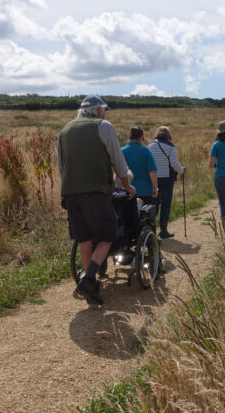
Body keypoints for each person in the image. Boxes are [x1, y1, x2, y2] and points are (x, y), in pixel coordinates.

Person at [57, 95, 135, 305]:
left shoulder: (65, 130)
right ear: (99, 111)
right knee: (108, 235)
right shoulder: (104, 126)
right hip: (96, 191)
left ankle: (89, 283)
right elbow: (118, 162)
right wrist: (127, 186)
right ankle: (88, 278)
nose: (105, 114)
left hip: (70, 192)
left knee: (84, 238)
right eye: (104, 110)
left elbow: (61, 166)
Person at [147, 126, 184, 238]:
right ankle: (163, 230)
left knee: (154, 203)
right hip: (167, 179)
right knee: (166, 203)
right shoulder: (170, 147)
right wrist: (182, 171)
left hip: (152, 178)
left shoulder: (149, 145)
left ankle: (151, 229)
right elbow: (174, 163)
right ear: (168, 135)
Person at [121, 126, 158, 205]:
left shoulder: (121, 151)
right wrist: (155, 188)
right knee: (145, 216)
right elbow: (152, 172)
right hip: (145, 191)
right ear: (141, 137)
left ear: (129, 137)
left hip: (126, 191)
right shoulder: (146, 152)